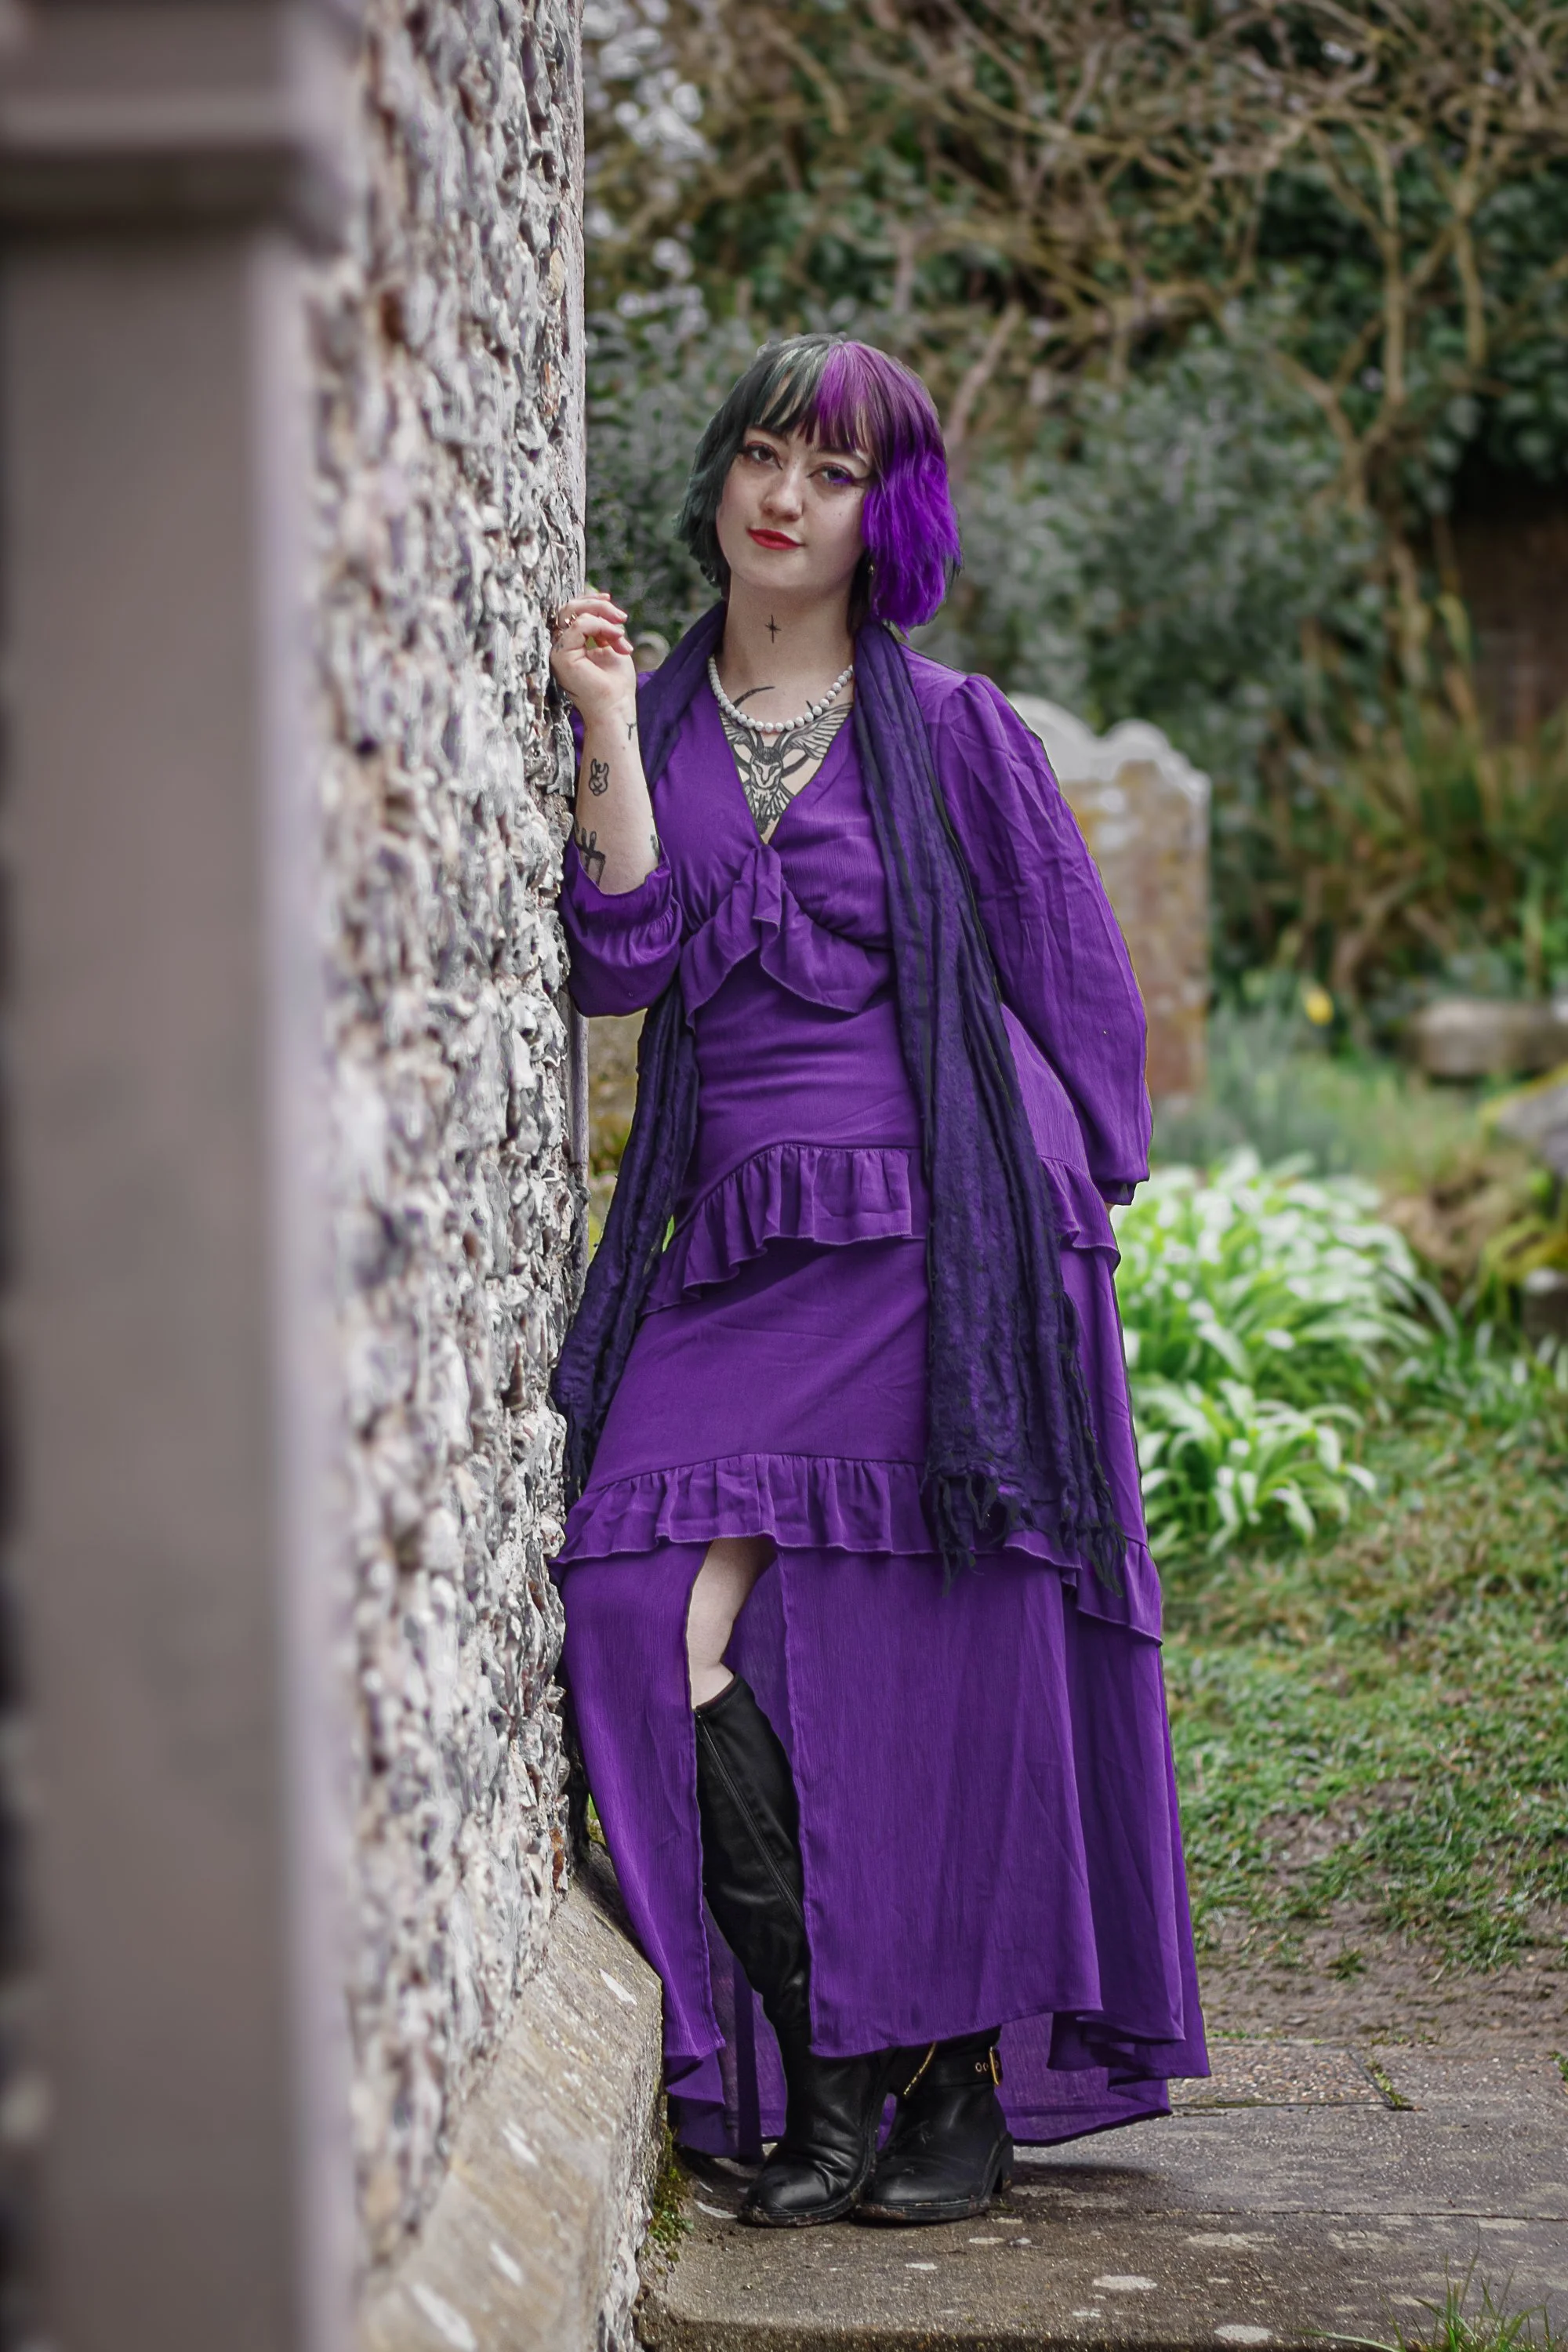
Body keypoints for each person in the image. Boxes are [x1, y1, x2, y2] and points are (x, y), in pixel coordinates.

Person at [547, 333, 1207, 2232]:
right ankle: (838, 2061)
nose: (784, 496)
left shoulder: (953, 728)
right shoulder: (660, 708)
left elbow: (1076, 992)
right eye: (762, 453)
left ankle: (929, 2083)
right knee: (630, 1600)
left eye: (829, 473)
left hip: (946, 1235)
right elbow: (620, 965)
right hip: (745, 1241)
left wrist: (1062, 1257)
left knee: (928, 1653)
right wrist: (600, 728)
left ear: (877, 511)